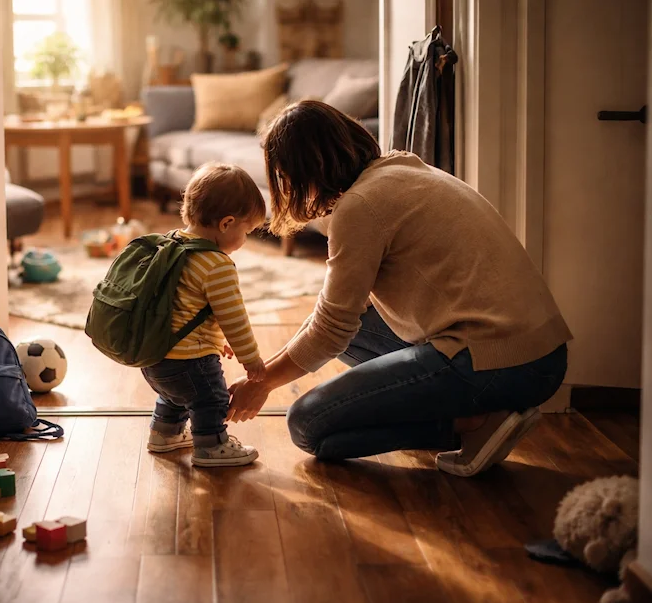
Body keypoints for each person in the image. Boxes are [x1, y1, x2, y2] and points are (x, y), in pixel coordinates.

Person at [227, 100, 572, 477]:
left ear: (305, 169)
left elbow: (329, 331)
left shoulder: (359, 207)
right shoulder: (402, 170)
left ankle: (472, 423)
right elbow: (336, 317)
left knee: (307, 425)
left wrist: (262, 385)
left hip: (497, 364)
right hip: (542, 356)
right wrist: (261, 372)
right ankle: (479, 411)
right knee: (357, 328)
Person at [143, 162, 267, 467]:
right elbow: (234, 319)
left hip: (152, 358)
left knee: (175, 395)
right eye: (247, 231)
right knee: (210, 397)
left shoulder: (170, 245)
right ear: (227, 224)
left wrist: (212, 338)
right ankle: (211, 447)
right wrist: (251, 360)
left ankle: (164, 434)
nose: (245, 239)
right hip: (189, 361)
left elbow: (181, 308)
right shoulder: (217, 264)